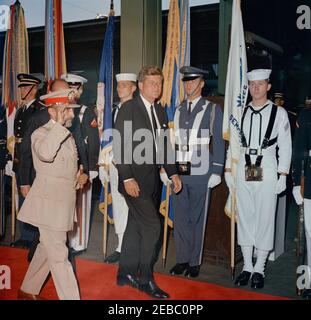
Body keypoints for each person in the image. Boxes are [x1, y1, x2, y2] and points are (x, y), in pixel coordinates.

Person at [114, 66, 182, 299]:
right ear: (140, 86)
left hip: (152, 182)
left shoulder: (160, 112)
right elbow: (120, 146)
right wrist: (126, 177)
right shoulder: (128, 108)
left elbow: (164, 146)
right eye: (152, 83)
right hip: (132, 181)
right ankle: (145, 279)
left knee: (135, 226)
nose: (157, 87)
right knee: (153, 227)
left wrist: (173, 174)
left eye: (160, 83)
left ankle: (124, 273)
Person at [17, 89, 88, 300]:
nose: (73, 115)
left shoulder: (67, 134)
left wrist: (78, 178)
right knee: (59, 255)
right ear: (55, 110)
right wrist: (57, 123)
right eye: (68, 111)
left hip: (63, 203)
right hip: (48, 204)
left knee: (46, 248)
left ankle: (27, 290)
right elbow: (46, 154)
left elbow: (64, 171)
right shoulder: (41, 133)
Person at [225, 69, 292, 289]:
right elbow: (234, 144)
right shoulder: (240, 112)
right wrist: (228, 171)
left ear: (268, 87)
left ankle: (259, 268)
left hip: (268, 168)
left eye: (261, 84)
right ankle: (246, 267)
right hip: (244, 169)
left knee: (264, 218)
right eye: (252, 85)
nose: (256, 88)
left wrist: (283, 174)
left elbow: (285, 145)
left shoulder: (278, 113)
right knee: (245, 217)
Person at [168, 66, 225, 278]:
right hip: (180, 172)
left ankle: (194, 262)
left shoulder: (211, 109)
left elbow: (218, 142)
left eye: (193, 81)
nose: (188, 84)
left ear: (202, 83)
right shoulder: (179, 109)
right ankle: (182, 259)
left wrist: (217, 170)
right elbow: (172, 142)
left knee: (197, 219)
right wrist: (169, 169)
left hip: (202, 171)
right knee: (181, 218)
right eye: (186, 81)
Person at [99, 73, 137, 264]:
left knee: (134, 207)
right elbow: (111, 139)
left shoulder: (138, 109)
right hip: (115, 165)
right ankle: (121, 246)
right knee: (120, 206)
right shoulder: (115, 110)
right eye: (118, 85)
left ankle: (133, 247)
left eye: (124, 85)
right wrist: (105, 162)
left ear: (133, 88)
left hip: (132, 167)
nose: (120, 88)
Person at [61, 73, 100, 252]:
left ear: (81, 89)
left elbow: (92, 140)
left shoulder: (86, 111)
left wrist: (92, 167)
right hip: (64, 165)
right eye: (69, 87)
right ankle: (66, 240)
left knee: (81, 205)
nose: (72, 91)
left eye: (75, 88)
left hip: (82, 166)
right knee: (66, 204)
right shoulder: (60, 109)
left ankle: (79, 243)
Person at [12, 73, 42, 249]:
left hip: (32, 161)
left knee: (31, 197)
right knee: (23, 198)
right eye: (21, 87)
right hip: (20, 159)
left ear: (34, 89)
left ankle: (32, 236)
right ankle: (25, 234)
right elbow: (18, 138)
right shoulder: (22, 109)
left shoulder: (39, 109)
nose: (22, 90)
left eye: (25, 87)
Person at [292, 106, 311, 300]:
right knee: (310, 235)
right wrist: (297, 182)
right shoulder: (306, 116)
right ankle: (309, 282)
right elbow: (298, 151)